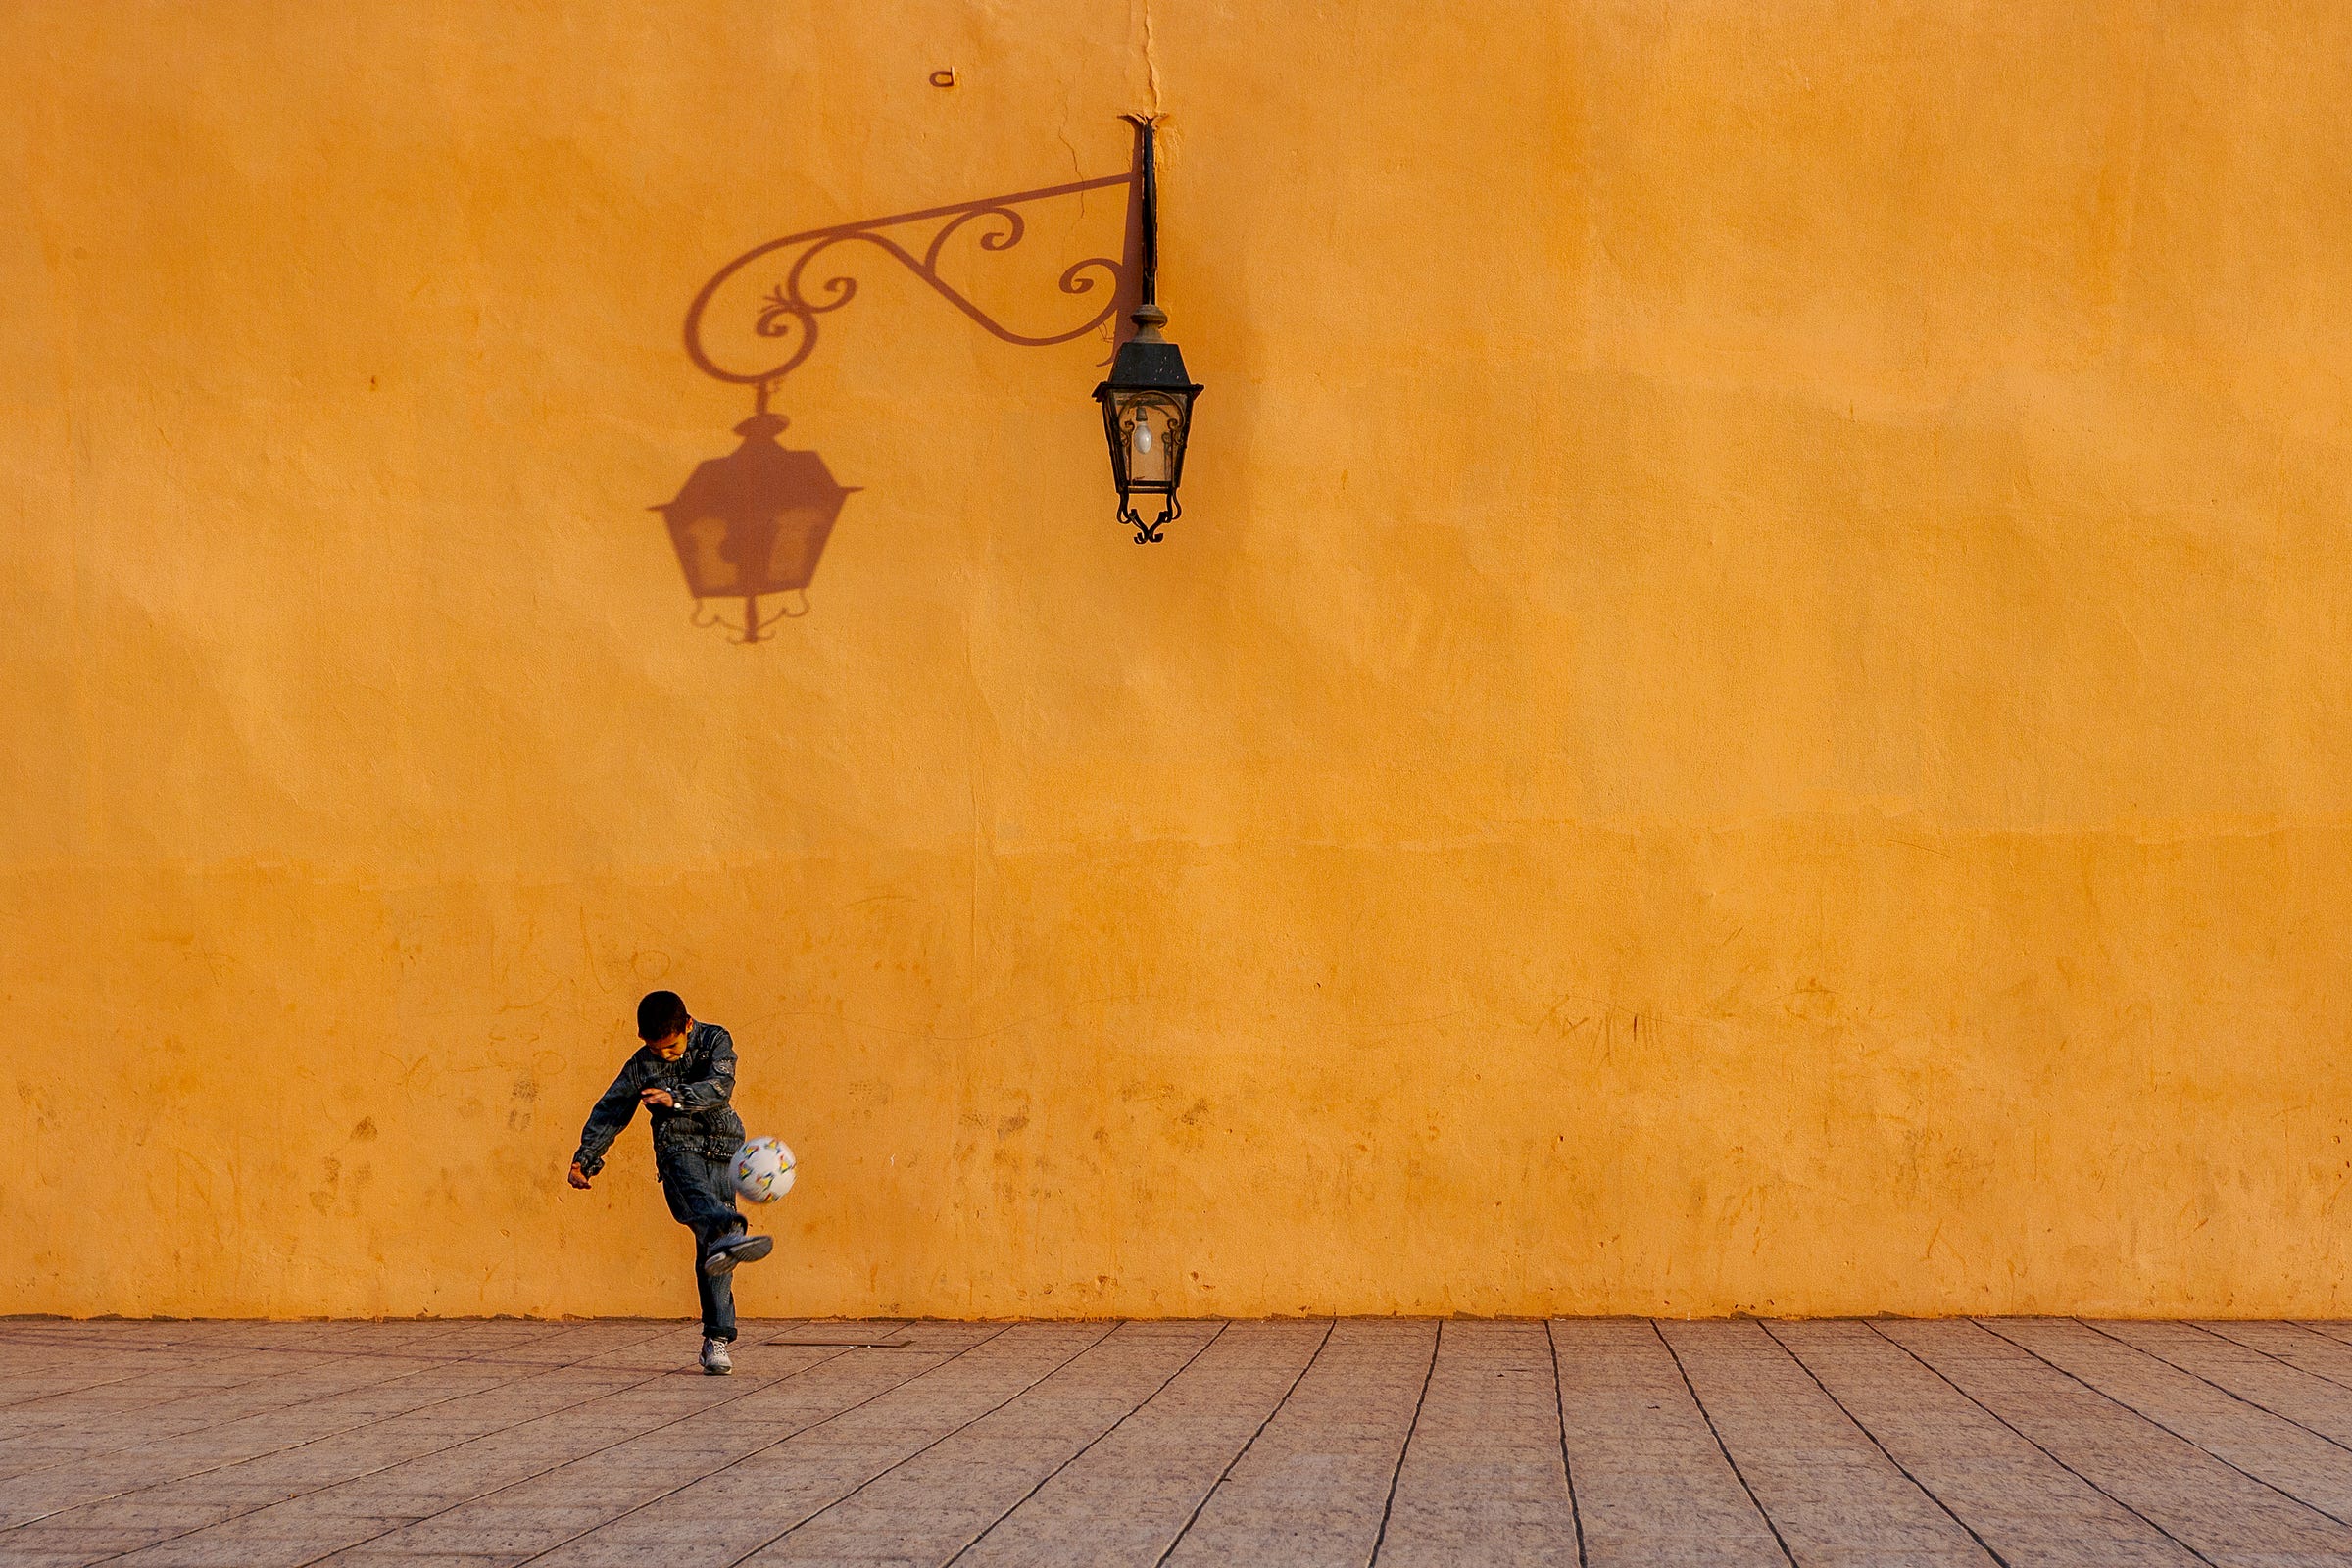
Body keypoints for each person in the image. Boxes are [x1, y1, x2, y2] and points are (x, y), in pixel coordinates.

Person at [566, 990, 772, 1374]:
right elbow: (612, 1110)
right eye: (657, 1048)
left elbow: (720, 1086)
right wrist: (586, 1159)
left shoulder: (715, 1040)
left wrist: (674, 1097)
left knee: (714, 1252)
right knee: (698, 1202)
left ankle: (717, 1339)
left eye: (673, 1047)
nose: (665, 1055)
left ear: (688, 1025)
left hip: (724, 1148)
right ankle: (726, 1227)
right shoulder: (641, 1065)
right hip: (678, 1147)